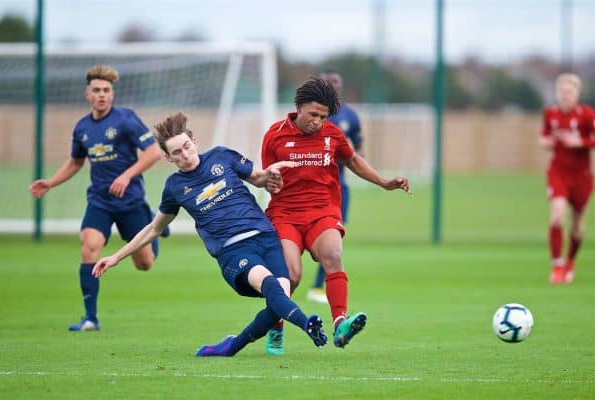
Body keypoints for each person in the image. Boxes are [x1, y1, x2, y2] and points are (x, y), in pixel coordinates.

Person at [92, 112, 328, 357]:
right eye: (177, 153)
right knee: (270, 285)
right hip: (233, 251)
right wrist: (115, 257)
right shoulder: (174, 187)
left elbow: (257, 178)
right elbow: (154, 228)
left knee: (280, 299)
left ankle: (231, 346)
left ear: (194, 142)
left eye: (186, 146)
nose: (185, 155)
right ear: (168, 158)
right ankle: (308, 324)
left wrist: (271, 175)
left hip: (266, 238)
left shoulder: (222, 156)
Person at [262, 77, 410, 354]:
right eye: (313, 114)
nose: (317, 121)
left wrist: (383, 181)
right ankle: (276, 326)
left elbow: (353, 160)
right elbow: (265, 175)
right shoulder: (274, 135)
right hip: (285, 214)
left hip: (322, 211)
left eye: (323, 116)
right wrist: (269, 181)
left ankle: (341, 323)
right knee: (290, 275)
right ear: (299, 107)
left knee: (333, 255)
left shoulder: (332, 134)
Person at [29, 65, 168, 331]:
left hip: (131, 201)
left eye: (106, 90)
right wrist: (50, 183)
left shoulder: (126, 119)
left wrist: (127, 176)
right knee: (89, 246)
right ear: (87, 94)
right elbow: (75, 162)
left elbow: (152, 152)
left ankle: (155, 225)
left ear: (112, 94)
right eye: (96, 90)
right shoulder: (82, 128)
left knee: (145, 264)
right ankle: (90, 318)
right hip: (100, 201)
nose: (101, 94)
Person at [307, 70, 364, 305]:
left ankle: (319, 285)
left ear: (340, 86)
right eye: (327, 82)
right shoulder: (311, 113)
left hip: (338, 187)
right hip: (310, 187)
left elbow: (358, 149)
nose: (332, 86)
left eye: (335, 83)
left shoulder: (350, 115)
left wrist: (348, 153)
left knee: (333, 234)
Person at [539, 73, 595, 284]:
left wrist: (579, 142)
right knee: (557, 214)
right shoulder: (550, 114)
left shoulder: (587, 115)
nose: (565, 95)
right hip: (558, 172)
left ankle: (570, 261)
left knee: (577, 224)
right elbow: (543, 136)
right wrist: (545, 142)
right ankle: (557, 266)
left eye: (569, 92)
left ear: (577, 94)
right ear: (557, 93)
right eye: (562, 91)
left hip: (582, 176)